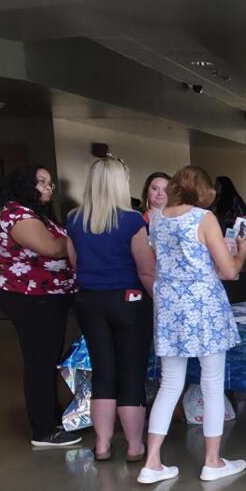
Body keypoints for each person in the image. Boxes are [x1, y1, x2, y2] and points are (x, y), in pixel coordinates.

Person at [140, 166, 246, 485]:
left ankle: (152, 462)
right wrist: (242, 252)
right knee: (212, 382)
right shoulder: (204, 219)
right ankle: (212, 461)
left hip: (170, 308)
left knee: (170, 383)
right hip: (204, 308)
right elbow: (229, 271)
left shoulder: (159, 218)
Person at [66, 158, 156, 462]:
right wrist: (160, 300)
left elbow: (75, 263)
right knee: (131, 374)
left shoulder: (74, 220)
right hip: (128, 301)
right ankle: (134, 446)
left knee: (103, 373)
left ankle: (102, 445)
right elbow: (145, 269)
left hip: (89, 302)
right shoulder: (132, 221)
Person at [0, 165, 80, 447]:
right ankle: (42, 430)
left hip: (46, 296)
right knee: (39, 362)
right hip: (31, 297)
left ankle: (51, 418)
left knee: (47, 359)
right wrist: (84, 233)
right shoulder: (16, 213)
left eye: (50, 183)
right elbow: (51, 248)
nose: (49, 188)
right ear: (24, 184)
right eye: (42, 182)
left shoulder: (34, 213)